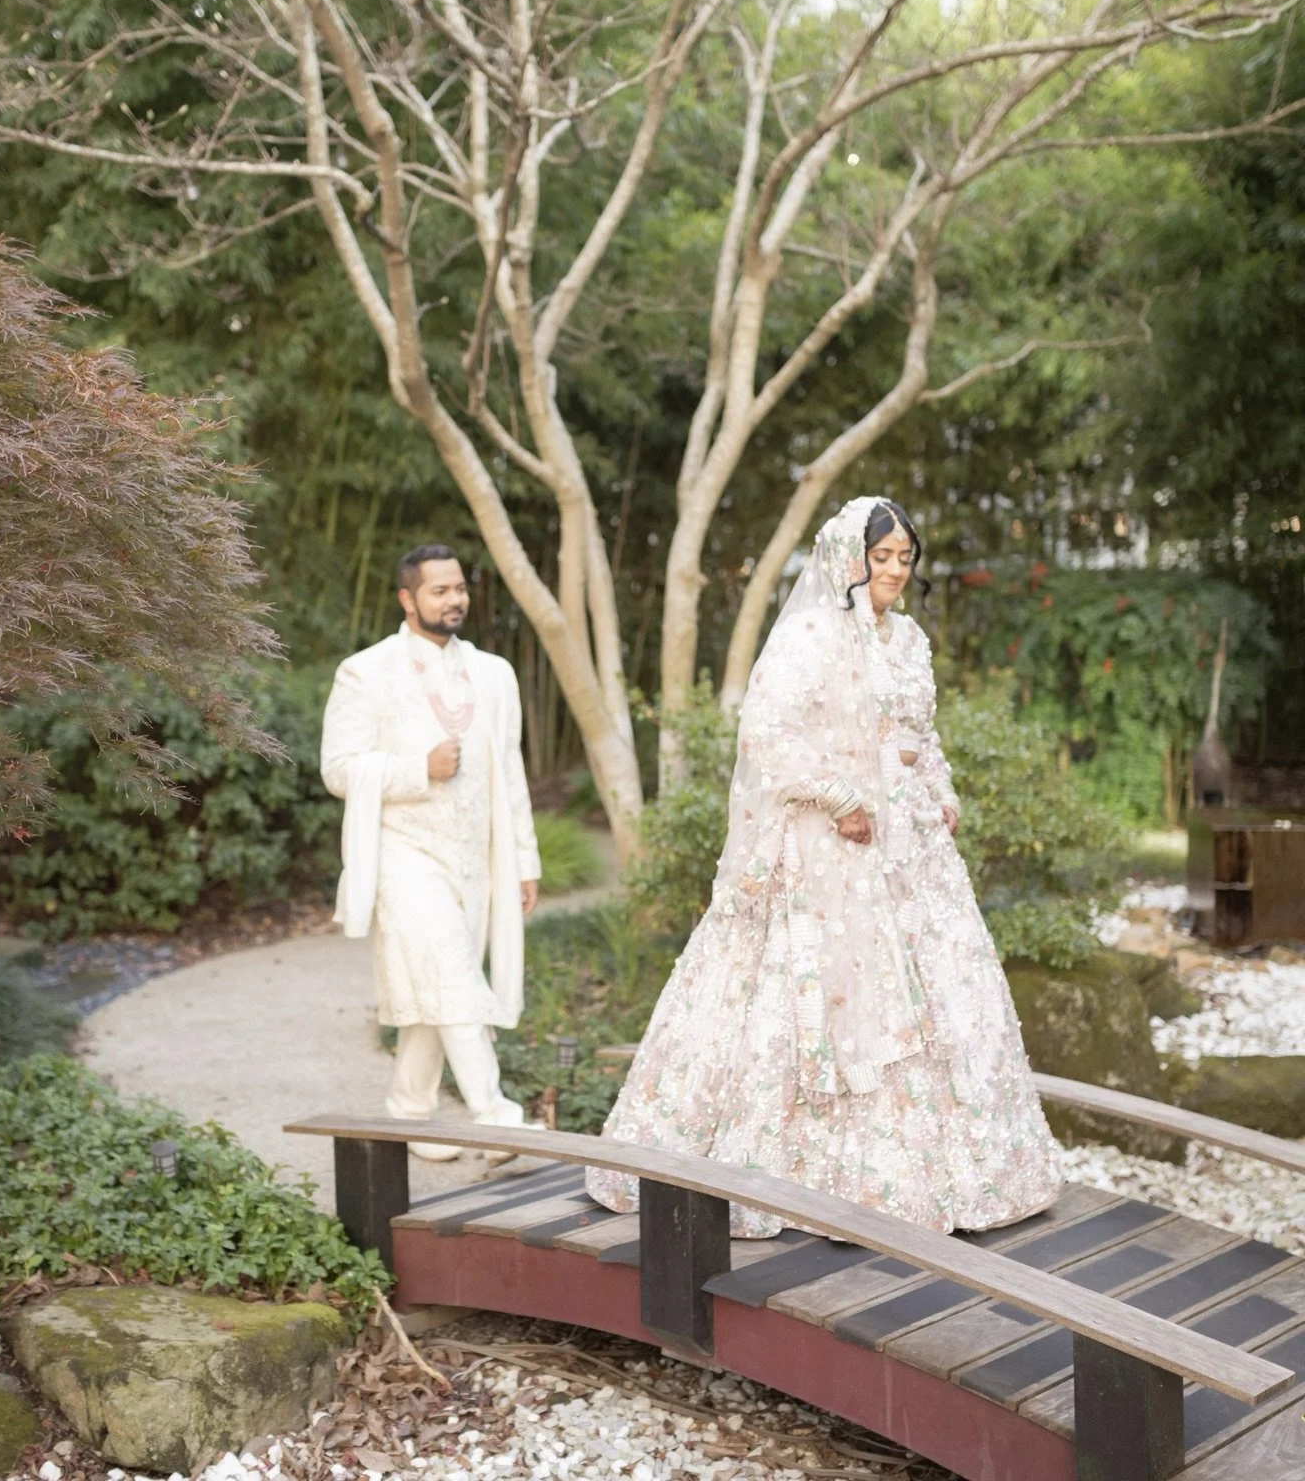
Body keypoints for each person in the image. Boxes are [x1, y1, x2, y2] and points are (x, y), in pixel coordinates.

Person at [587, 497, 1062, 1236]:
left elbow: (920, 732)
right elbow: (768, 733)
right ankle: (799, 1170)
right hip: (834, 846)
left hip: (913, 851)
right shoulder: (812, 634)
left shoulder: (908, 640)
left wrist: (942, 790)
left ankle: (948, 1171)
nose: (896, 571)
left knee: (941, 992)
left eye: (905, 558)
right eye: (883, 558)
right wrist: (839, 797)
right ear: (850, 559)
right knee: (834, 996)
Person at [321, 544, 542, 1161]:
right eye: (439, 590)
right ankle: (495, 1116)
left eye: (459, 588)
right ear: (406, 598)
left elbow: (511, 771)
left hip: (473, 860)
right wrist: (419, 768)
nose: (455, 600)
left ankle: (409, 1114)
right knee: (449, 974)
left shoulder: (494, 673)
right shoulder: (366, 671)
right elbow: (338, 769)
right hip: (403, 853)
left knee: (436, 989)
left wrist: (522, 862)